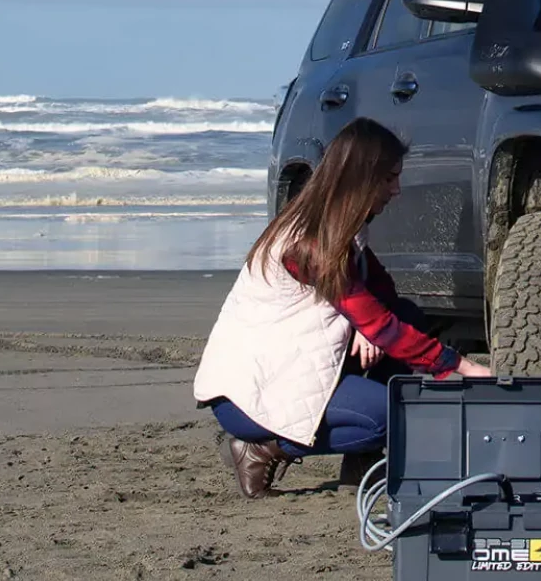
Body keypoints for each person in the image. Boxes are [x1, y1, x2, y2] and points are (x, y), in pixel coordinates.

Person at [192, 117, 494, 497]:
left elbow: (384, 300)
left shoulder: (343, 230)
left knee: (409, 316)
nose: (396, 190)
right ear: (361, 179)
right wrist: (461, 367)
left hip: (295, 365)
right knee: (392, 417)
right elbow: (379, 323)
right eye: (389, 179)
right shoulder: (309, 244)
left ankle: (361, 462)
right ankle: (260, 448)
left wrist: (364, 329)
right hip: (251, 394)